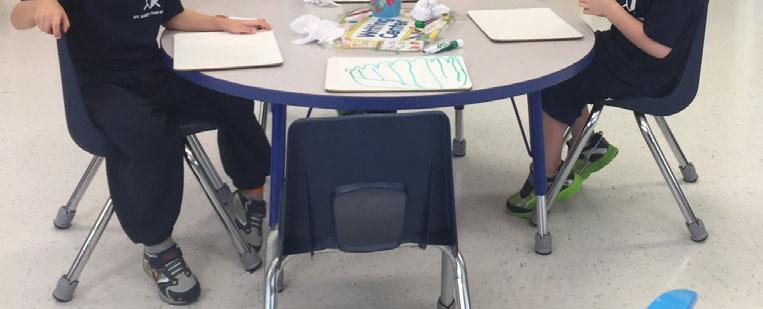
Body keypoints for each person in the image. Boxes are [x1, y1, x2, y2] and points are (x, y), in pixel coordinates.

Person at [11, 0, 273, 304]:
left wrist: (222, 24)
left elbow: (173, 16)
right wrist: (42, 4)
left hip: (153, 70)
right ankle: (158, 249)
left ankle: (251, 190)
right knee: (148, 135)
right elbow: (18, 17)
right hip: (105, 87)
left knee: (233, 93)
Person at [506, 0, 703, 218]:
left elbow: (659, 47)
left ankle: (547, 180)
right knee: (561, 55)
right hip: (628, 51)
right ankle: (589, 147)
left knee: (554, 78)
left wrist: (609, 8)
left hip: (650, 73)